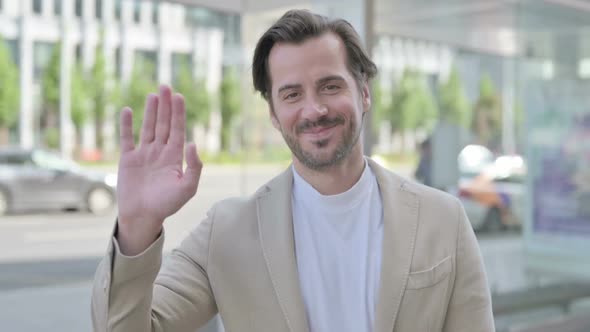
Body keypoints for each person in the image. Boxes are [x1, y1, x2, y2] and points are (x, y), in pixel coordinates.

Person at [91, 9, 494, 332]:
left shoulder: (443, 220)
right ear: (273, 113)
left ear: (364, 92)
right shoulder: (226, 232)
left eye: (330, 86)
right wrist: (137, 226)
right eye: (292, 94)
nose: (314, 109)